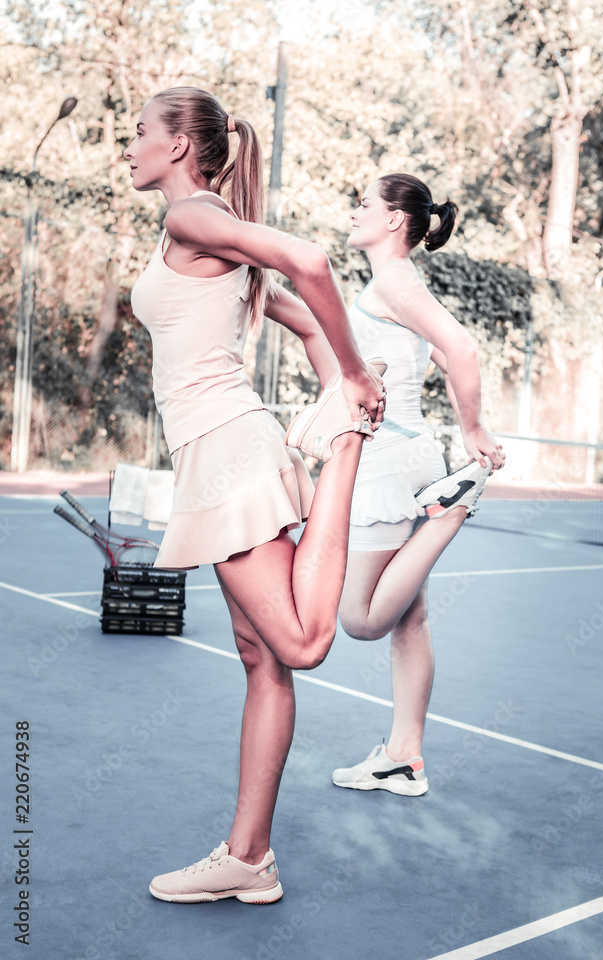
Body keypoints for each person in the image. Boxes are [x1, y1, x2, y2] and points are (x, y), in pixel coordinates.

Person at [124, 86, 386, 903]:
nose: (125, 145)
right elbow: (303, 322)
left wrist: (350, 381)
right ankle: (249, 858)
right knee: (260, 658)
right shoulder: (207, 242)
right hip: (225, 447)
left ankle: (344, 449)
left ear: (176, 147)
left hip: (227, 452)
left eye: (137, 132)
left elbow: (307, 262)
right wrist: (335, 367)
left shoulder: (190, 219)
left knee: (300, 644)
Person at [332, 173, 505, 796]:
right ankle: (404, 758)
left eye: (363, 205)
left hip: (390, 461)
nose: (354, 212)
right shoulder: (396, 286)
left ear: (395, 221)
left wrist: (475, 429)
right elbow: (426, 354)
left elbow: (462, 348)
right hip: (411, 454)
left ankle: (450, 511)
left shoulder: (394, 281)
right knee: (411, 621)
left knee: (360, 618)